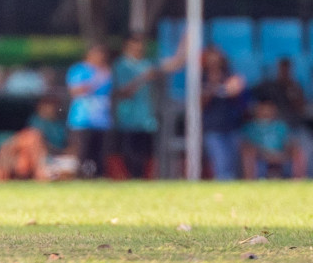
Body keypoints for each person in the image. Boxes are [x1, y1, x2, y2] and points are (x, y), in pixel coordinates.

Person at [112, 35, 183, 180]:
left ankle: (143, 180)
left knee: (146, 154)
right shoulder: (121, 66)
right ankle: (132, 180)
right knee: (131, 154)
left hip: (147, 119)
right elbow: (123, 92)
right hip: (129, 119)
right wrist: (143, 78)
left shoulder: (147, 63)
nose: (139, 49)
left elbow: (174, 64)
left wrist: (186, 41)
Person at [66, 43, 113, 178]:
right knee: (82, 153)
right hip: (82, 119)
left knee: (99, 153)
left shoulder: (106, 71)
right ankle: (80, 177)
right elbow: (75, 91)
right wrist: (95, 80)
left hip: (102, 120)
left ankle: (97, 177)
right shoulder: (78, 70)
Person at [200, 47, 247, 180]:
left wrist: (233, 88)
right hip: (213, 127)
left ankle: (230, 189)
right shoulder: (201, 78)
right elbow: (200, 104)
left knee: (232, 163)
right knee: (221, 162)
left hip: (232, 125)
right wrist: (212, 87)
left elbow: (240, 100)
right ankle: (222, 189)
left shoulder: (230, 76)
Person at [0, 96, 69, 180]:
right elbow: (33, 142)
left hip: (56, 157)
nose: (50, 109)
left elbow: (65, 145)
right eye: (47, 105)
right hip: (43, 158)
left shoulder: (60, 124)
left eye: (53, 105)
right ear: (40, 107)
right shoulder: (36, 122)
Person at [241, 99, 298, 179]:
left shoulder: (281, 126)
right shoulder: (251, 127)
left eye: (269, 109)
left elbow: (288, 143)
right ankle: (250, 180)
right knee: (248, 153)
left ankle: (298, 181)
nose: (266, 112)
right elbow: (248, 145)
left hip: (280, 155)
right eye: (263, 109)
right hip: (260, 157)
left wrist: (282, 154)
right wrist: (267, 155)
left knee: (297, 152)